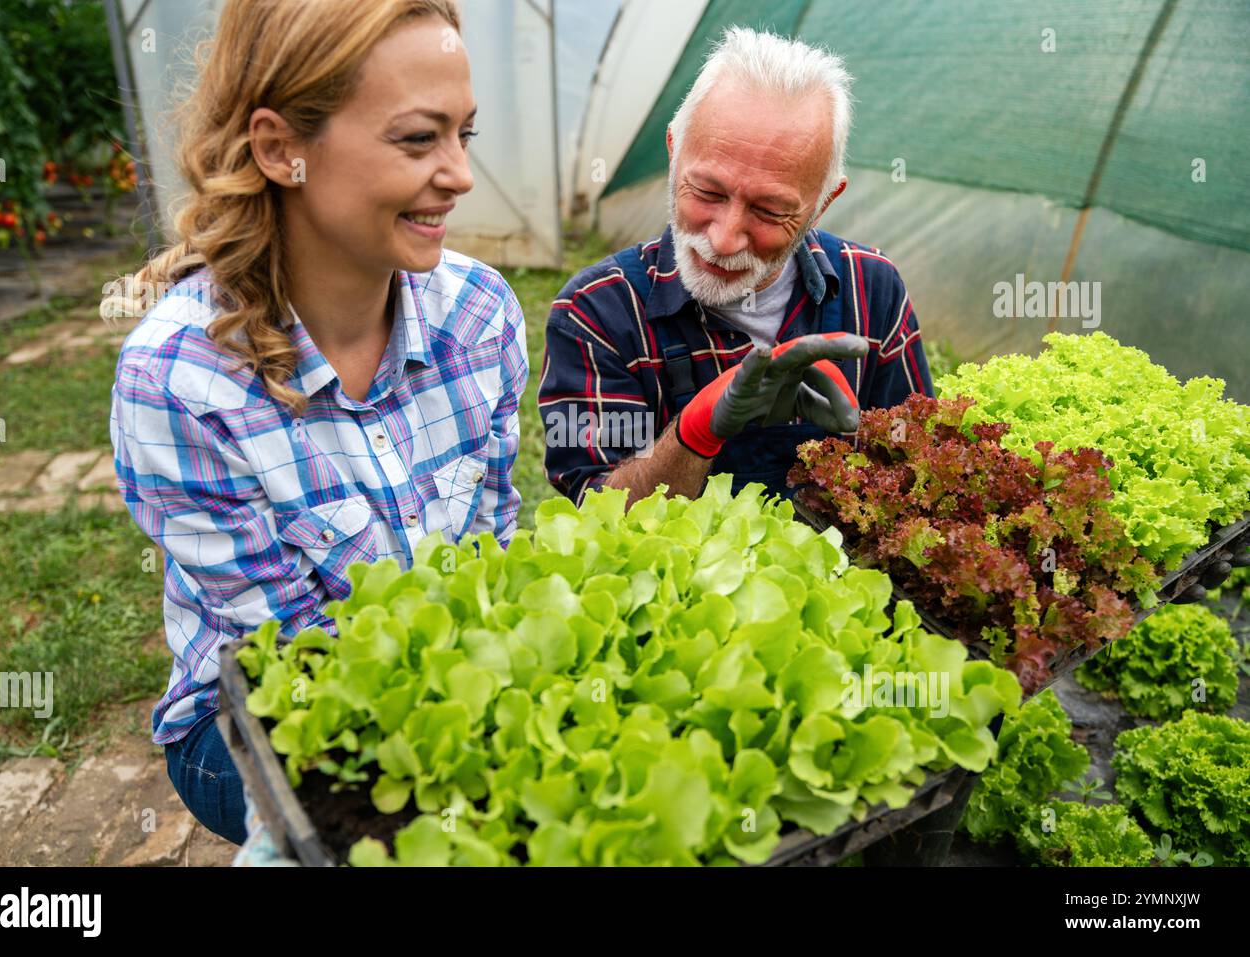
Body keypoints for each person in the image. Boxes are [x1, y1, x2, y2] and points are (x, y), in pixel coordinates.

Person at [106, 0, 527, 846]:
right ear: (280, 150)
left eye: (465, 136)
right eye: (418, 139)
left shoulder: (481, 316)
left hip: (453, 676)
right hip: (254, 717)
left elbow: (494, 551)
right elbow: (299, 674)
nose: (460, 174)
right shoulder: (180, 382)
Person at [540, 27, 933, 506]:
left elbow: (918, 476)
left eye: (769, 211)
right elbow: (594, 518)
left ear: (822, 204)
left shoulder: (872, 288)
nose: (723, 239)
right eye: (707, 192)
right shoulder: (596, 312)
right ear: (672, 153)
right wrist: (695, 433)